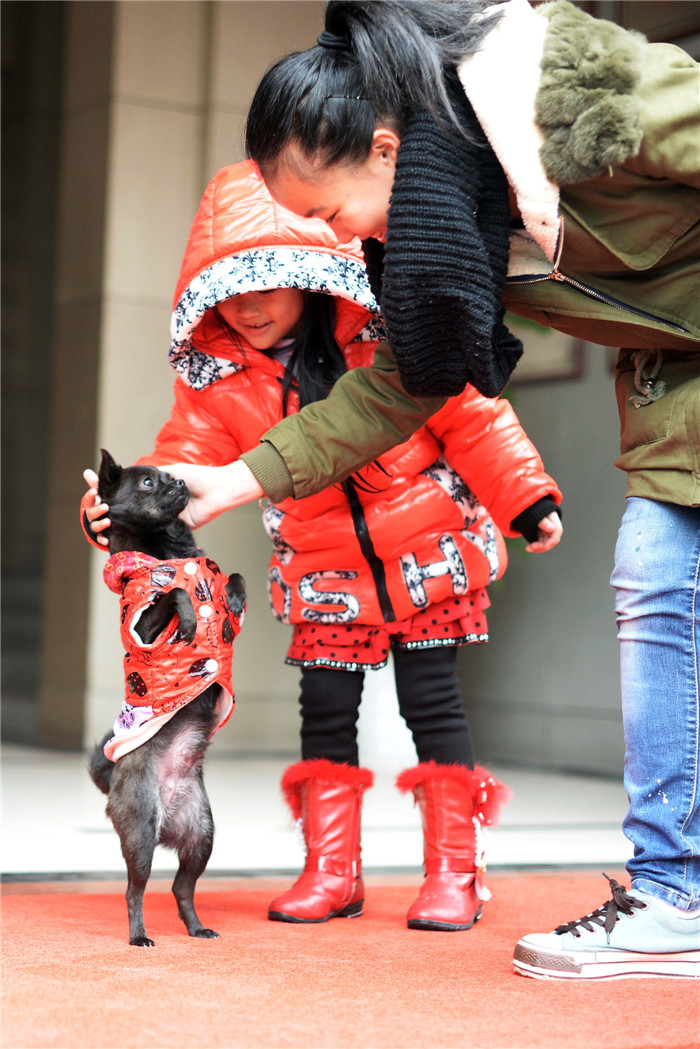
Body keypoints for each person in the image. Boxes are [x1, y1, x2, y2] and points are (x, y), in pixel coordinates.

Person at [156, 0, 700, 977]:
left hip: (436, 559)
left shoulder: (559, 87)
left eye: (323, 212)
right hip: (679, 386)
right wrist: (231, 481)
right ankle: (673, 893)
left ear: (383, 147)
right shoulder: (428, 245)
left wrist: (521, 493)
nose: (327, 238)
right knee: (656, 579)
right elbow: (413, 384)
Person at [83, 159, 563, 931]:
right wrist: (112, 513)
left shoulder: (382, 341)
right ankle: (331, 869)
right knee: (327, 713)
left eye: (266, 283)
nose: (247, 308)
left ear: (310, 272)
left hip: (427, 555)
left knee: (433, 705)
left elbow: (472, 415)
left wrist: (526, 495)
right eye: (226, 293)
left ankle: (454, 873)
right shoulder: (216, 382)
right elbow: (172, 466)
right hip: (325, 570)